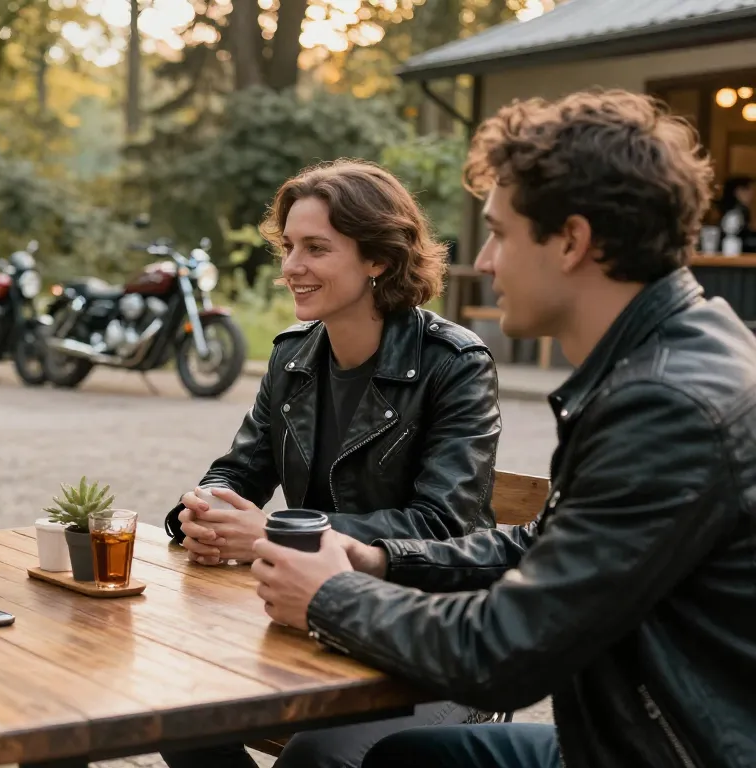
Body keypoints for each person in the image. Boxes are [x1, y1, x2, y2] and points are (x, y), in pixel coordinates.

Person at [250, 89, 756, 768]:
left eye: (501, 232)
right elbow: (546, 542)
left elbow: (507, 652)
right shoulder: (673, 354)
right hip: (644, 735)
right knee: (410, 761)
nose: (484, 262)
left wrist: (330, 596)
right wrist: (382, 558)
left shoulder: (668, 405)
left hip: (678, 751)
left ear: (572, 241)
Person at [161, 159, 502, 768]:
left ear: (378, 258)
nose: (293, 266)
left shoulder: (454, 363)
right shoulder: (293, 357)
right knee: (176, 712)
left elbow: (443, 526)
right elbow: (239, 470)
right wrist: (204, 510)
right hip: (312, 625)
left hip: (427, 640)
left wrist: (276, 535)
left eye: (316, 248)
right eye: (289, 246)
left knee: (314, 758)